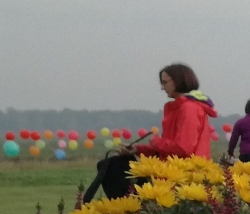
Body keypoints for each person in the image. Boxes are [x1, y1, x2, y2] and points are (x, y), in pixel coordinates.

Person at [92, 63, 218, 198]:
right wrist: (138, 149)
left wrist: (156, 141)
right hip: (175, 179)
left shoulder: (189, 109)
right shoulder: (179, 107)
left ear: (179, 81)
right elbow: (168, 149)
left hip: (186, 182)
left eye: (165, 82)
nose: (162, 87)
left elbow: (182, 149)